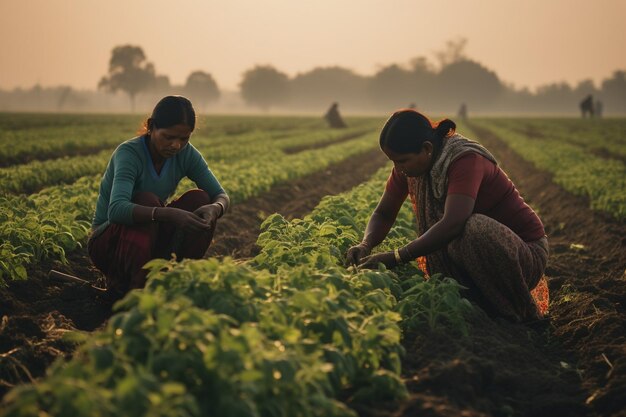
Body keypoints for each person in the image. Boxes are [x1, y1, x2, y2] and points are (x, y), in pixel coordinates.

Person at [346, 109, 549, 323]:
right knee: (460, 239)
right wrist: (366, 244)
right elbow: (384, 212)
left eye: (403, 160)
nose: (398, 168)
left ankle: (516, 314)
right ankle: (479, 306)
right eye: (393, 161)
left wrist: (396, 257)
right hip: (474, 251)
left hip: (523, 255)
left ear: (426, 148)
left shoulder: (464, 160)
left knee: (473, 228)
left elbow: (454, 223)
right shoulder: (410, 168)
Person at [88, 95, 230, 297]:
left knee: (200, 200)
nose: (176, 145)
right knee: (146, 201)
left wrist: (216, 208)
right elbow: (116, 211)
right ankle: (131, 288)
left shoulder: (186, 154)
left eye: (184, 138)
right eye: (169, 137)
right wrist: (168, 214)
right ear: (151, 126)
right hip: (109, 244)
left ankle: (173, 281)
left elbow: (220, 195)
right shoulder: (129, 153)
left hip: (148, 239)